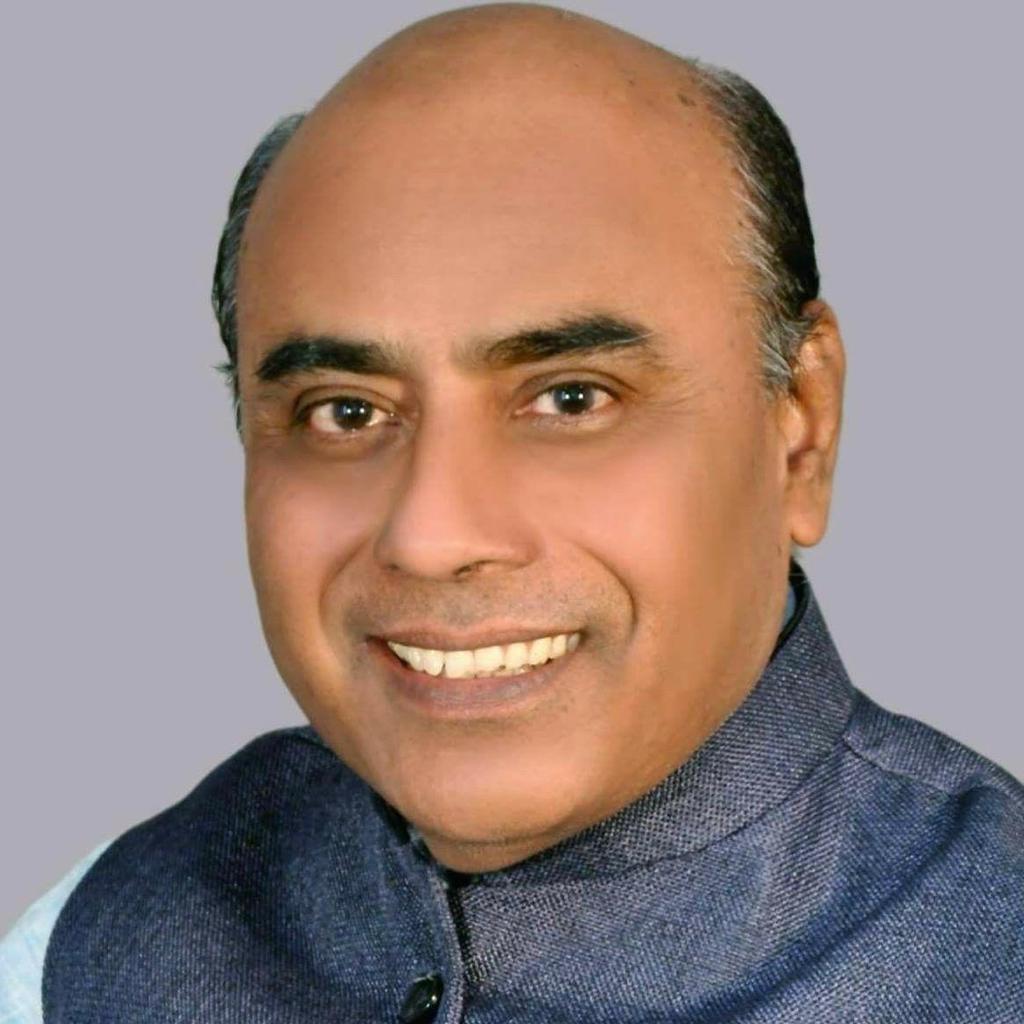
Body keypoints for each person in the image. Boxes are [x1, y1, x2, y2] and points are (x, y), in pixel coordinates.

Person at [3, 4, 1022, 1021]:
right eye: (345, 411)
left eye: (571, 398)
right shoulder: (90, 949)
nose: (432, 534)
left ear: (800, 425)